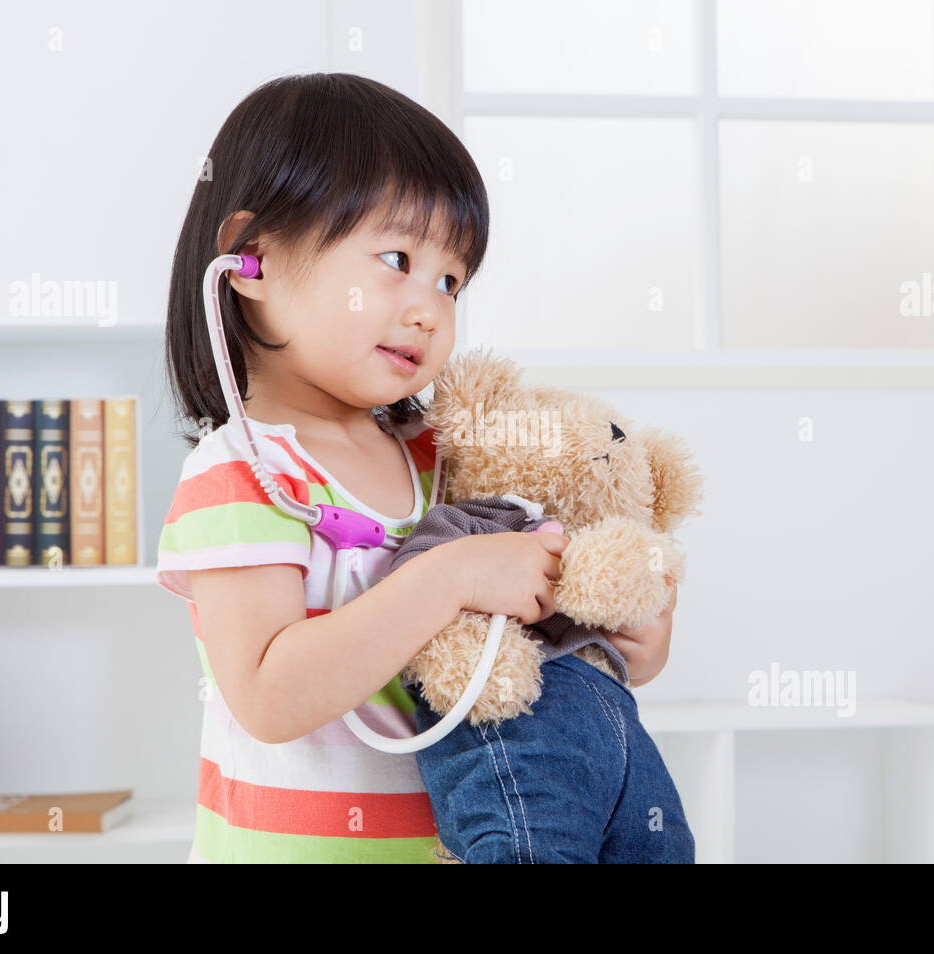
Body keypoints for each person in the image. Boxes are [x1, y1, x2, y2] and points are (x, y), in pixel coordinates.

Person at [155, 72, 676, 863]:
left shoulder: (447, 456)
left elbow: (520, 640)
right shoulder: (243, 475)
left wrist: (627, 635)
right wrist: (450, 578)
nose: (430, 306)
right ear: (254, 260)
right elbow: (268, 693)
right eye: (395, 257)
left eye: (450, 279)